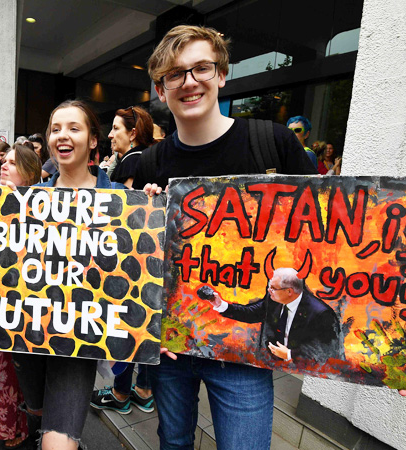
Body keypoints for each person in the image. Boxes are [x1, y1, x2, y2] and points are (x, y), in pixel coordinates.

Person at [135, 25, 316, 450]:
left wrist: (379, 358)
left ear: (221, 74)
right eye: (175, 75)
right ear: (162, 90)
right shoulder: (151, 163)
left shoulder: (272, 143)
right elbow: (141, 262)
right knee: (173, 441)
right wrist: (145, 218)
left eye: (201, 68)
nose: (190, 81)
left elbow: (320, 244)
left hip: (244, 353)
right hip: (172, 346)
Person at [11, 100, 126, 450]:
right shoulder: (28, 199)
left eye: (74, 128)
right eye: (55, 128)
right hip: (28, 338)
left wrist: (149, 211)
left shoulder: (122, 200)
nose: (62, 135)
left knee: (57, 443)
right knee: (38, 413)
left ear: (93, 140)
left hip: (77, 343)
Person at [0, 144, 41, 449]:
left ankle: (17, 425)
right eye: (5, 160)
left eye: (13, 163)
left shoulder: (41, 205)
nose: (4, 165)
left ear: (28, 174)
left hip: (19, 306)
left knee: (15, 370)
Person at [207, 268, 342, 363]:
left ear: (289, 291)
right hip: (270, 362)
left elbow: (326, 352)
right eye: (269, 287)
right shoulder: (274, 299)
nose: (269, 291)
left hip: (299, 365)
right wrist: (221, 305)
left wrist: (290, 354)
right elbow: (251, 313)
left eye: (273, 288)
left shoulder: (321, 314)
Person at [108, 105, 154, 188]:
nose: (110, 135)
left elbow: (126, 199)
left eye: (116, 128)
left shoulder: (131, 161)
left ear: (133, 134)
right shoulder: (146, 158)